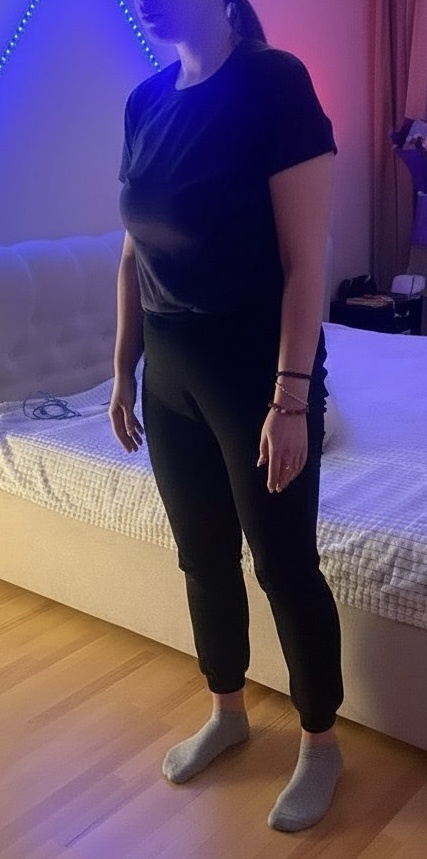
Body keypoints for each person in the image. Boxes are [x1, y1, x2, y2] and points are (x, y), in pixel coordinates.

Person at [110, 0, 344, 833]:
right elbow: (132, 249)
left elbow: (305, 261)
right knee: (202, 557)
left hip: (254, 368)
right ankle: (227, 710)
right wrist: (122, 368)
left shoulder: (273, 83)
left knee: (283, 563)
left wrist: (290, 399)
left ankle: (320, 742)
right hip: (170, 369)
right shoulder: (145, 100)